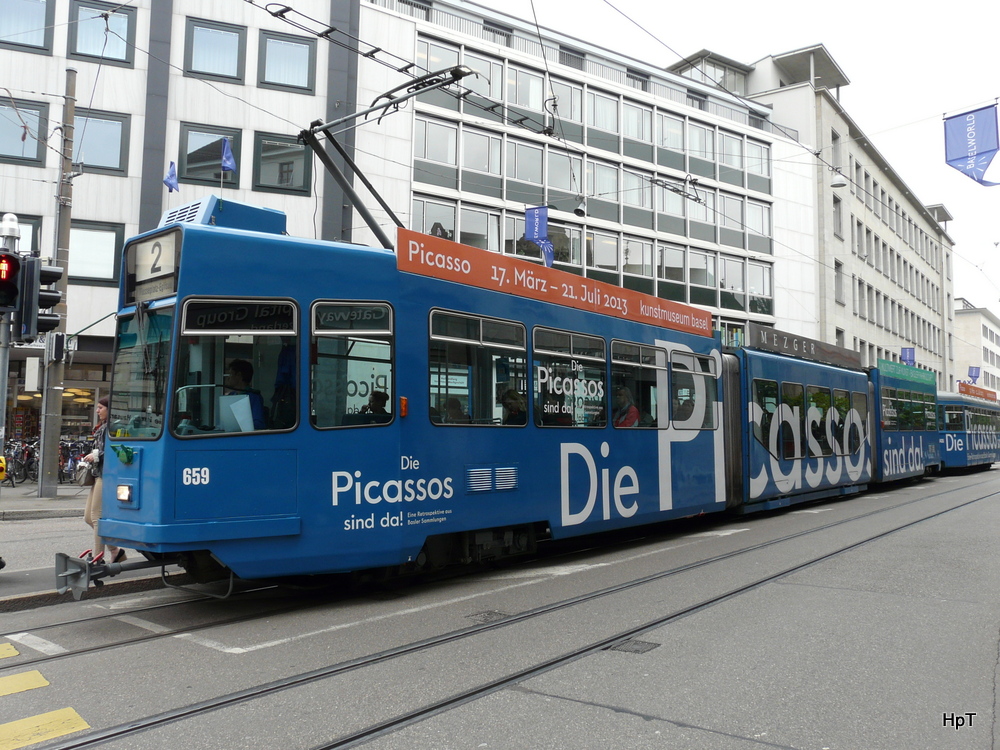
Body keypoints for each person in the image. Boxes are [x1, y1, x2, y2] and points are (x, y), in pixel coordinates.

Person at [82, 397, 126, 564]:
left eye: (100, 407)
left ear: (109, 409)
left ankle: (97, 557)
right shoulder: (102, 427)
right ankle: (115, 550)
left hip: (106, 475)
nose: (97, 410)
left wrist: (95, 456)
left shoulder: (114, 428)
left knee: (96, 516)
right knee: (88, 517)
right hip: (98, 474)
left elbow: (115, 451)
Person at [226, 359, 266, 430]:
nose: (228, 378)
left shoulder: (254, 397)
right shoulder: (231, 395)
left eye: (231, 374)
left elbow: (259, 424)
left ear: (239, 375)